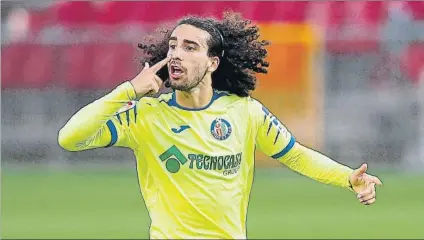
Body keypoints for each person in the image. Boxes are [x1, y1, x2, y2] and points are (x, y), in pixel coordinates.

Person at [58, 11, 383, 239]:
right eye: (172, 46)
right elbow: (70, 138)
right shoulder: (146, 115)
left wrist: (347, 177)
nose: (175, 55)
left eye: (189, 47)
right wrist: (128, 90)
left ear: (212, 62)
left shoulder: (245, 112)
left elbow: (294, 154)